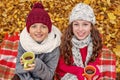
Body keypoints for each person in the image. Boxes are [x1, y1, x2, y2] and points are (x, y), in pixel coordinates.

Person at [55, 3, 116, 80]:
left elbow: (94, 60)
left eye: (85, 24)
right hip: (70, 76)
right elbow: (61, 66)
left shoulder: (95, 41)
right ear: (71, 26)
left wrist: (92, 70)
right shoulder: (66, 42)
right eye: (76, 24)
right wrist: (79, 71)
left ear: (91, 26)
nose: (80, 29)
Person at [12, 2, 61, 80]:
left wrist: (37, 65)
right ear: (28, 29)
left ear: (49, 29)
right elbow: (18, 69)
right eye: (34, 26)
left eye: (43, 27)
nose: (38, 31)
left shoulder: (53, 46)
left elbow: (49, 76)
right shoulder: (24, 42)